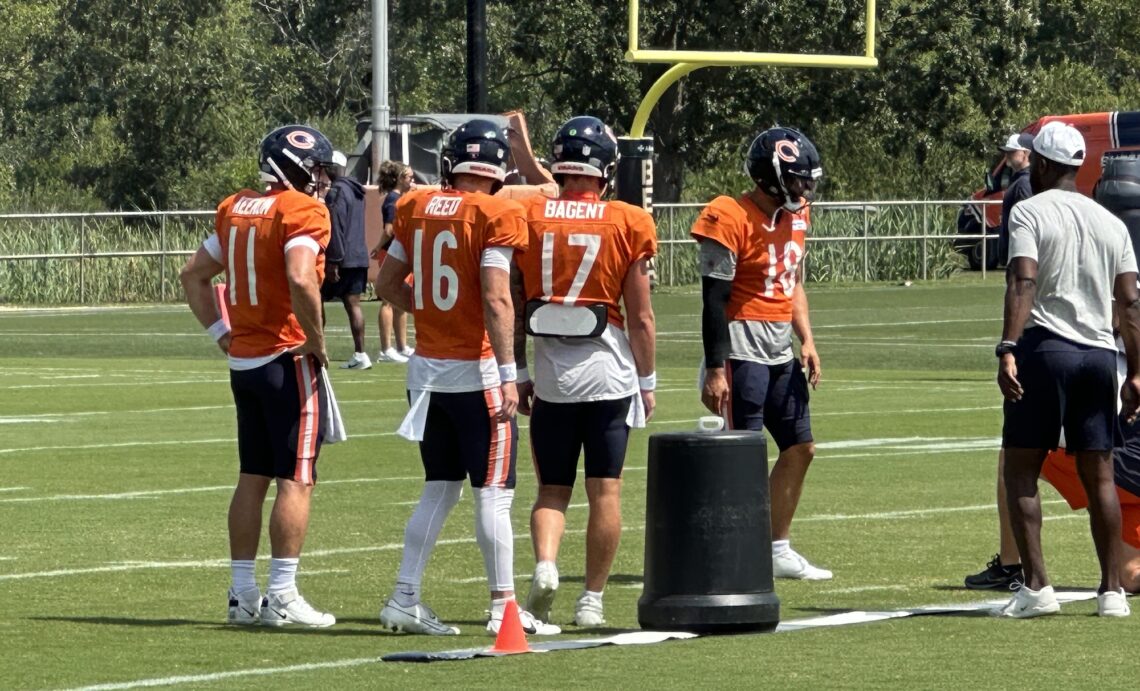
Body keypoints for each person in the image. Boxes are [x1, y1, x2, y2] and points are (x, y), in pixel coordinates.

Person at [374, 119, 559, 637]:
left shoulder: (416, 207)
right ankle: (503, 608)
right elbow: (499, 297)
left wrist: (432, 313)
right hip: (475, 373)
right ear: (497, 169)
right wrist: (508, 374)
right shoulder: (496, 212)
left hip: (427, 373)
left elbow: (387, 281)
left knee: (439, 487)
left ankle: (404, 597)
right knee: (493, 492)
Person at [179, 124, 338, 628]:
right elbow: (298, 277)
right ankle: (283, 594)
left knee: (252, 476)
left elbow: (193, 274)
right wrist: (315, 339)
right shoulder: (302, 211)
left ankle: (243, 594)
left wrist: (221, 333)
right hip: (284, 356)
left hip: (244, 360)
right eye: (315, 169)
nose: (321, 180)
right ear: (290, 167)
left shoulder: (235, 209)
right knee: (296, 477)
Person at [514, 116, 658, 627]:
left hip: (551, 370)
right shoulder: (627, 219)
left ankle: (547, 565)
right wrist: (647, 381)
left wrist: (517, 369)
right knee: (606, 490)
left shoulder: (530, 213)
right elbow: (639, 316)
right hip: (608, 370)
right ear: (606, 169)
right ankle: (591, 599)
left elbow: (512, 299)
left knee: (552, 489)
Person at [996, 120, 1140, 618]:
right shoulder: (1112, 223)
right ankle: (1111, 593)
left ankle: (1036, 587)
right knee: (1099, 474)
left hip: (1046, 348)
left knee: (1020, 466)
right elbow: (1130, 303)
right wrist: (1137, 373)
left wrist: (1007, 346)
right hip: (1100, 356)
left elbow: (1022, 281)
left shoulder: (1029, 211)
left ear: (1042, 163)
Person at [691, 126, 828, 580]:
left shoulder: (797, 217)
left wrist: (806, 337)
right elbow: (713, 300)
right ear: (769, 177)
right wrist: (715, 367)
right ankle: (733, 551)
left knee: (801, 447)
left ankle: (775, 545)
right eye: (795, 180)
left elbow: (794, 283)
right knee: (742, 457)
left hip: (779, 348)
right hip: (741, 345)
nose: (803, 189)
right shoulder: (728, 214)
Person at [965, 132, 1037, 591]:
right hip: (1092, 341)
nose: (1008, 160)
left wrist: (1008, 344)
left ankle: (1017, 566)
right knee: (1098, 459)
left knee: (1016, 456)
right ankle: (1114, 574)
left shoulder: (1023, 192)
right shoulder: (1094, 211)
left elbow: (1021, 271)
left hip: (1040, 332)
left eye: (1013, 153)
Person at [321, 150, 372, 370]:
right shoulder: (357, 191)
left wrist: (333, 260)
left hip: (342, 258)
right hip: (359, 255)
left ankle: (317, 349)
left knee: (314, 299)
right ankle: (361, 354)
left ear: (333, 168)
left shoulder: (337, 192)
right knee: (354, 306)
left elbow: (337, 226)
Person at [372, 161, 415, 363]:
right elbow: (389, 230)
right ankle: (386, 348)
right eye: (409, 177)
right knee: (388, 300)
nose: (413, 181)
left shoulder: (402, 198)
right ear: (399, 179)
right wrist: (377, 246)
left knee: (400, 300)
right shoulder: (393, 200)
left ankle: (402, 345)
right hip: (391, 254)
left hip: (401, 253)